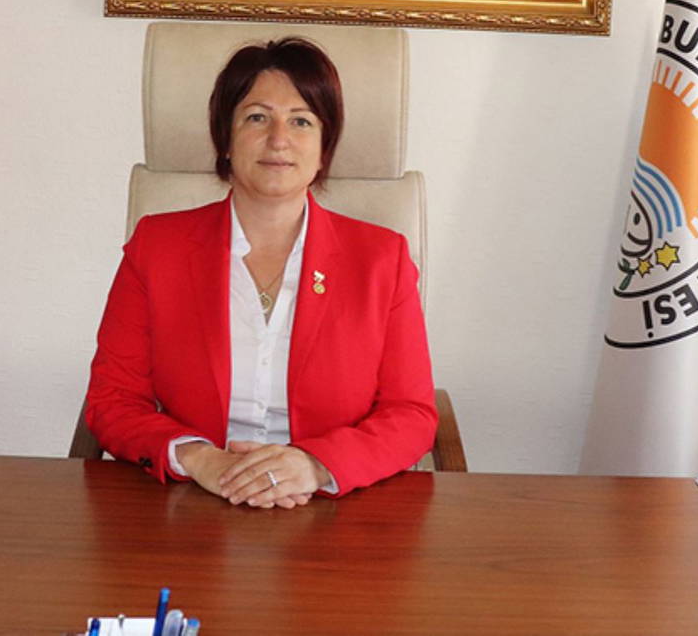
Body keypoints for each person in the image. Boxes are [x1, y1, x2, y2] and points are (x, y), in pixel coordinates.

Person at [86, 38, 437, 508]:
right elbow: (112, 399)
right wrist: (198, 458)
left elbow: (411, 413)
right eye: (256, 117)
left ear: (324, 147)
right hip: (193, 502)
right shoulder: (157, 247)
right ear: (225, 140)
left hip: (334, 509)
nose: (278, 139)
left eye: (301, 121)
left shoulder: (381, 260)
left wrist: (315, 464)